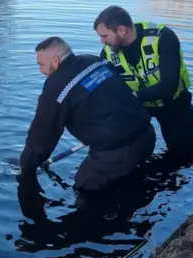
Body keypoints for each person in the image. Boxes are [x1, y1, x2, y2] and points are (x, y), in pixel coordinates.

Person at [19, 36, 155, 192]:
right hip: (147, 136)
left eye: (41, 65)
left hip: (117, 152)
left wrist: (26, 166)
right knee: (129, 177)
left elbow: (42, 134)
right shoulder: (96, 61)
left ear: (55, 61)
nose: (41, 71)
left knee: (84, 185)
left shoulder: (56, 86)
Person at [94, 5, 193, 163]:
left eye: (104, 36)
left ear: (121, 30)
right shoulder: (108, 52)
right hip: (138, 106)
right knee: (119, 144)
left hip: (174, 103)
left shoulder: (163, 37)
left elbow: (170, 85)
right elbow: (104, 86)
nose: (102, 42)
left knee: (184, 155)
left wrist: (133, 96)